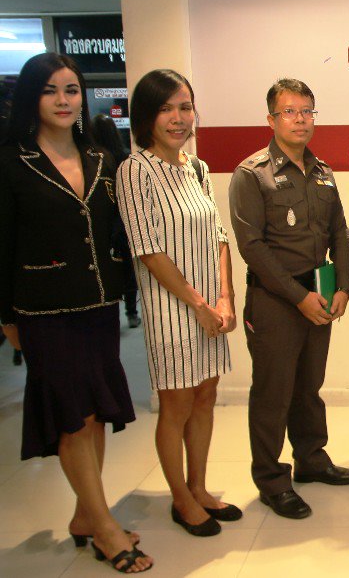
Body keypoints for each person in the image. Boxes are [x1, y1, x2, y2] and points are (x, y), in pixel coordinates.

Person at [0, 53, 150, 572]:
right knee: (72, 416)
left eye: (71, 90)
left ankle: (87, 517)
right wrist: (6, 317)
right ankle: (104, 527)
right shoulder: (11, 161)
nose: (63, 101)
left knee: (95, 413)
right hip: (44, 310)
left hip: (98, 306)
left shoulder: (101, 157)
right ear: (32, 98)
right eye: (50, 91)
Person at [117, 70, 241, 537]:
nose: (177, 118)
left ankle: (199, 488)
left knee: (206, 396)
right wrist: (198, 305)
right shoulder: (135, 170)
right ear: (146, 116)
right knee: (177, 403)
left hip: (211, 307)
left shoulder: (197, 168)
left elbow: (219, 235)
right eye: (165, 108)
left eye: (184, 107)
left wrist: (225, 297)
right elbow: (148, 250)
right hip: (172, 309)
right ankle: (181, 499)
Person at [230, 78, 349, 519]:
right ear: (271, 119)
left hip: (319, 291)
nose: (300, 119)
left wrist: (343, 286)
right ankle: (271, 480)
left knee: (308, 387)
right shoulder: (252, 174)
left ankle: (311, 460)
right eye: (290, 112)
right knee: (273, 393)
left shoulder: (322, 171)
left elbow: (340, 231)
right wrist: (298, 296)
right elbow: (252, 247)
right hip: (275, 299)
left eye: (307, 111)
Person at [93, 113, 141, 329]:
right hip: (125, 222)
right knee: (129, 271)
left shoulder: (93, 162)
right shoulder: (125, 158)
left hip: (103, 224)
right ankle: (131, 311)